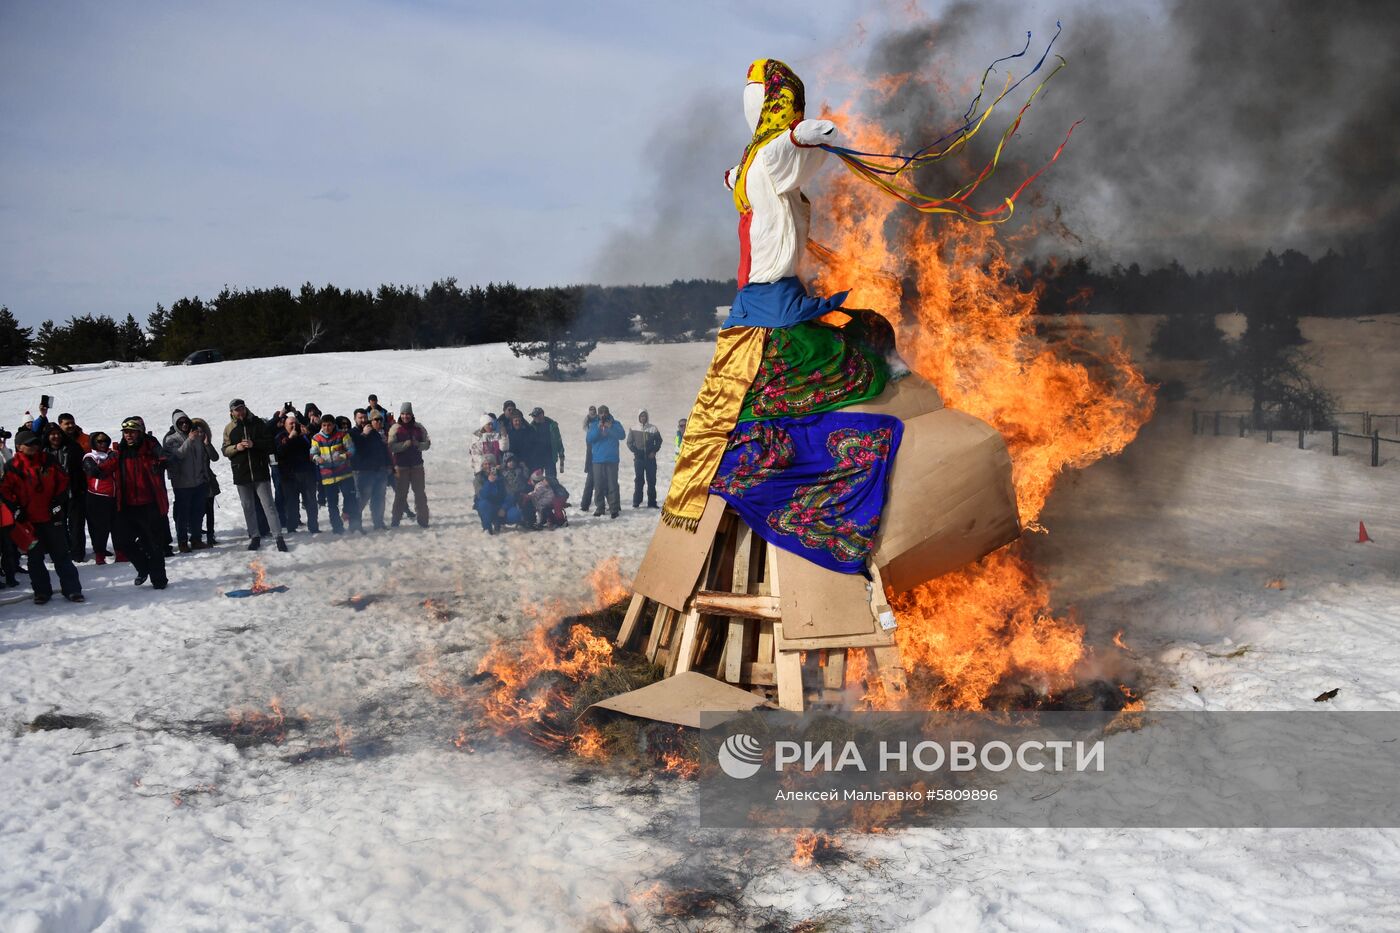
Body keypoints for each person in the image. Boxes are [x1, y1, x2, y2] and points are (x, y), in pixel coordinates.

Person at [0, 429, 83, 603]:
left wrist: (58, 500)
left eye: (35, 443)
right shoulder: (12, 466)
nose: (34, 446)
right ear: (19, 447)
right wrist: (16, 509)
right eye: (29, 444)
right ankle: (42, 592)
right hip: (28, 522)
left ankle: (72, 590)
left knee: (61, 556)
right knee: (35, 559)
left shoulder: (48, 460)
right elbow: (5, 492)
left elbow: (63, 481)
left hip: (52, 518)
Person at [223, 398, 287, 552]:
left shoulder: (258, 423)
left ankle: (278, 537)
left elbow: (269, 444)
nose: (240, 412)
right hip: (241, 473)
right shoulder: (229, 428)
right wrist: (236, 447)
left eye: (242, 408)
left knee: (269, 506)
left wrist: (254, 444)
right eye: (236, 409)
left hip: (260, 471)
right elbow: (225, 450)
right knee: (248, 507)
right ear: (231, 412)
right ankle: (254, 536)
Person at [113, 416, 169, 589]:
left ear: (139, 432)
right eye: (125, 432)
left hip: (149, 504)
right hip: (127, 505)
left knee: (154, 544)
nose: (128, 435)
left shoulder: (150, 445)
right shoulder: (119, 451)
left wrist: (158, 464)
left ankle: (159, 580)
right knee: (124, 542)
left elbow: (164, 458)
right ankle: (143, 568)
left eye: (131, 432)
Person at [163, 409, 219, 552]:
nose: (184, 424)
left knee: (198, 512)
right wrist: (189, 440)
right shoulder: (171, 439)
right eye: (180, 422)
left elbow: (204, 458)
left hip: (198, 482)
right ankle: (182, 542)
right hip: (182, 483)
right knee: (182, 514)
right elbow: (178, 456)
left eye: (185, 421)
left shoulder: (196, 436)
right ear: (175, 424)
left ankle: (196, 539)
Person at [310, 413, 361, 534]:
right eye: (324, 425)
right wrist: (317, 458)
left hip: (344, 473)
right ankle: (337, 527)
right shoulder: (316, 438)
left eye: (329, 425)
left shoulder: (342, 435)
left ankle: (354, 524)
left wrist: (343, 456)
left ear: (333, 425)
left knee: (350, 497)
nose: (326, 428)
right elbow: (312, 454)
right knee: (332, 503)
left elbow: (352, 450)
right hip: (327, 476)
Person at [44, 422, 87, 560]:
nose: (55, 437)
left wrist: (81, 488)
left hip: (73, 492)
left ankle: (77, 553)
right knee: (58, 525)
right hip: (53, 496)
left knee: (76, 525)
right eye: (52, 434)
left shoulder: (73, 448)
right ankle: (62, 550)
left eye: (57, 433)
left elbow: (82, 469)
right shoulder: (43, 452)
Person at [388, 402, 431, 528]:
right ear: (400, 415)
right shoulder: (395, 428)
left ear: (411, 414)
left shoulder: (419, 427)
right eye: (403, 414)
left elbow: (427, 443)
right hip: (401, 467)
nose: (405, 416)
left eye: (407, 414)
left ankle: (423, 520)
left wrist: (418, 445)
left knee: (420, 494)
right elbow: (391, 447)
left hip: (417, 466)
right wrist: (404, 445)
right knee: (401, 494)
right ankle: (395, 520)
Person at [275, 412, 318, 533]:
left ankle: (314, 526)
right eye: (290, 423)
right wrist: (290, 438)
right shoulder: (281, 436)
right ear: (285, 425)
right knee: (291, 503)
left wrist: (308, 435)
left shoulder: (304, 435)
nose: (294, 425)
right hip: (289, 475)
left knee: (311, 501)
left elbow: (314, 449)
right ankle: (292, 527)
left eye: (295, 423)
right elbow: (280, 452)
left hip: (307, 473)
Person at [82, 432, 120, 565]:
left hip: (115, 495)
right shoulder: (90, 457)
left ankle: (120, 553)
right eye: (99, 441)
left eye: (105, 441)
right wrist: (113, 461)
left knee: (118, 527)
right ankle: (100, 554)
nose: (103, 443)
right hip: (97, 497)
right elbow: (95, 472)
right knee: (100, 528)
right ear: (93, 443)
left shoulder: (112, 454)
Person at [351, 409, 391, 530]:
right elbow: (355, 449)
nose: (363, 420)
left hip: (378, 470)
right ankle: (355, 525)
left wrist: (387, 465)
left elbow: (381, 450)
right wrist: (363, 435)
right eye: (360, 418)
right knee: (362, 499)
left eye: (364, 417)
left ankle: (378, 523)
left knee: (379, 498)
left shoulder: (374, 432)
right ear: (355, 419)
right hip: (362, 471)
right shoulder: (352, 433)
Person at [586, 407, 626, 519]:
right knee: (598, 485)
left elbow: (622, 435)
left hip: (612, 459)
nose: (603, 415)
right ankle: (600, 508)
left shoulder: (615, 423)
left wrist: (610, 427)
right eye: (601, 413)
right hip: (598, 460)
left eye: (605, 412)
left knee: (612, 484)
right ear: (598, 414)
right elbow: (589, 439)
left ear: (608, 413)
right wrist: (598, 429)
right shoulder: (594, 424)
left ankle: (614, 509)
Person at [191, 418, 221, 546]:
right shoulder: (190, 446)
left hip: (208, 481)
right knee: (198, 511)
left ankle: (210, 536)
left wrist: (207, 444)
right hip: (195, 482)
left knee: (210, 511)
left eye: (202, 431)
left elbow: (215, 457)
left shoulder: (205, 444)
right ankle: (196, 536)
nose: (200, 434)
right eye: (197, 431)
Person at [627, 409, 663, 509]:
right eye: (641, 416)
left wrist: (654, 451)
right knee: (639, 480)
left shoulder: (653, 428)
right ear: (638, 417)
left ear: (647, 417)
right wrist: (636, 451)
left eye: (644, 416)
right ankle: (637, 501)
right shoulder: (633, 428)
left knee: (651, 480)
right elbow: (629, 442)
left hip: (650, 459)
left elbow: (659, 441)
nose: (643, 417)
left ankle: (652, 502)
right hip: (639, 459)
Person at [469, 414, 506, 498]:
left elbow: (503, 448)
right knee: (483, 492)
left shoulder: (496, 435)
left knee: (495, 491)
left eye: (491, 424)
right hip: (482, 469)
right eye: (488, 424)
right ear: (483, 425)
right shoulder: (476, 437)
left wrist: (504, 436)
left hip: (495, 467)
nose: (491, 426)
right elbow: (475, 455)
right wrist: (486, 464)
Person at [527, 407, 565, 480]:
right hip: (537, 457)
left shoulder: (552, 425)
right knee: (536, 479)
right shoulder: (531, 426)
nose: (534, 418)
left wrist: (561, 454)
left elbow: (558, 441)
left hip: (549, 456)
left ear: (541, 415)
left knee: (551, 479)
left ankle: (552, 491)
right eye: (533, 416)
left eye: (535, 416)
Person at [475, 461, 505, 534]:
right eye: (485, 464)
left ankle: (498, 521)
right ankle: (487, 528)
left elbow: (507, 493)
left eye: (490, 464)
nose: (488, 466)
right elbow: (482, 495)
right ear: (482, 466)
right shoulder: (478, 477)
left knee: (514, 515)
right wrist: (489, 482)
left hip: (499, 503)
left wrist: (504, 507)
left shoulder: (501, 476)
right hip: (486, 504)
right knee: (483, 504)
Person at [579, 406, 598, 512]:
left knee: (602, 482)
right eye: (591, 411)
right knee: (590, 482)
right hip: (592, 458)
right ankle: (585, 504)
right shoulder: (588, 419)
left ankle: (610, 504)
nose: (592, 412)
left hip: (600, 458)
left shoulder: (598, 419)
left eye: (594, 411)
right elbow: (584, 427)